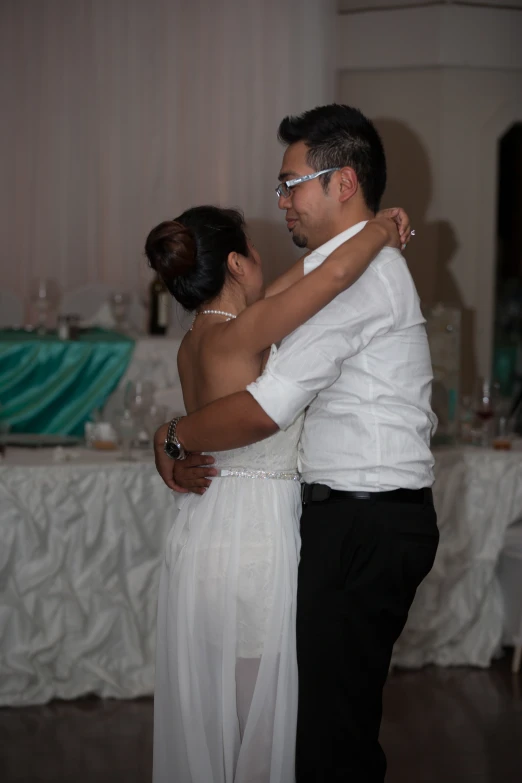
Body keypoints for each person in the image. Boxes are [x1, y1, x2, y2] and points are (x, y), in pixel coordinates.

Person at [154, 104, 439, 783]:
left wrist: (170, 435)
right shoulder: (338, 267)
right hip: (346, 517)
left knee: (326, 740)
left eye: (291, 184)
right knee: (315, 729)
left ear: (343, 183)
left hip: (365, 519)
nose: (280, 202)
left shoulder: (358, 273)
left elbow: (265, 407)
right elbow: (276, 312)